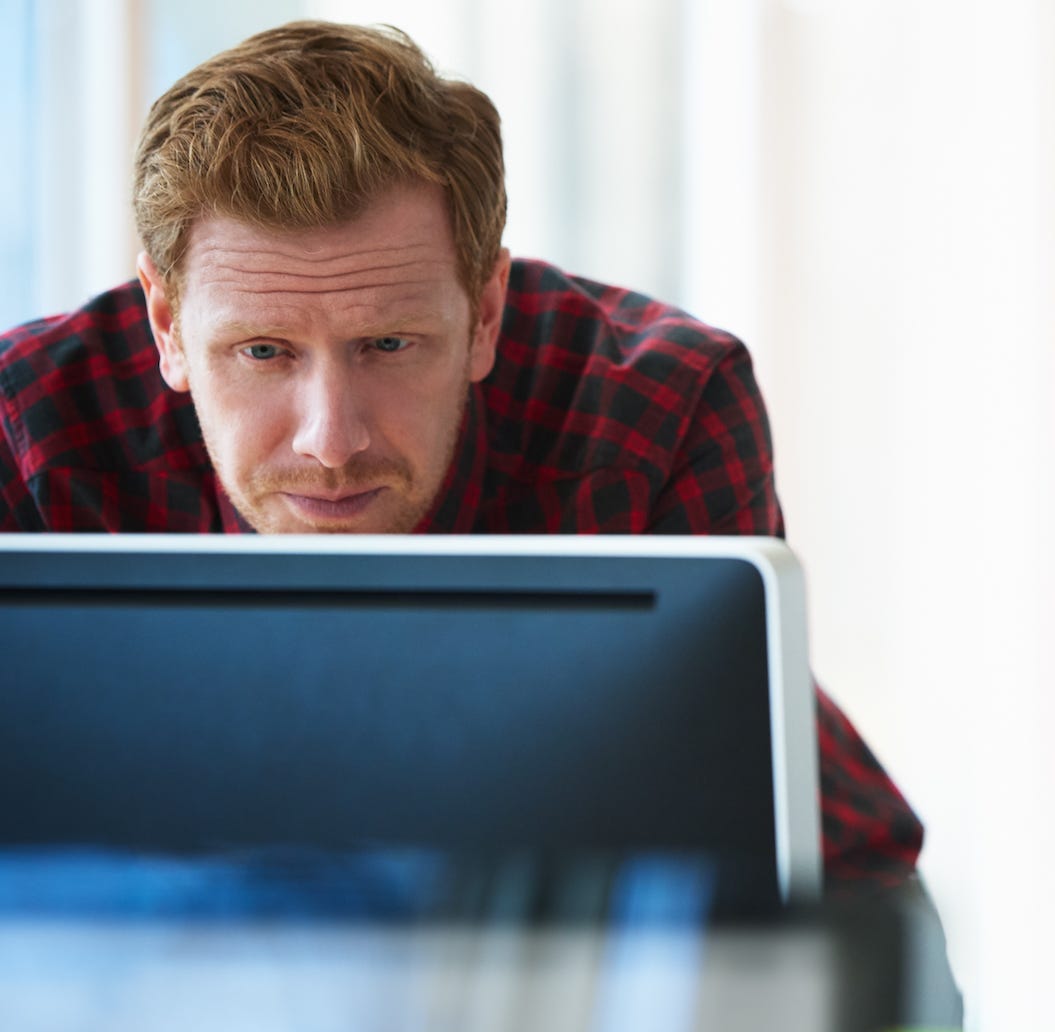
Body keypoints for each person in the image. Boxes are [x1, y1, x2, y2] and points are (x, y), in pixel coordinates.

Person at [0, 21, 918, 879]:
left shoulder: (656, 408)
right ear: (167, 326)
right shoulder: (30, 423)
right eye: (263, 352)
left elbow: (713, 899)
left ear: (483, 314)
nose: (331, 441)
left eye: (389, 345)